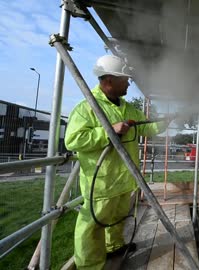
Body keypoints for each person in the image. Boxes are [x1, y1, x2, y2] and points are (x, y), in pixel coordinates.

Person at [65, 55, 166, 269]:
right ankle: (90, 266)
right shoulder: (87, 108)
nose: (129, 83)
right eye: (125, 79)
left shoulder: (128, 109)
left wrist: (168, 121)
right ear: (109, 80)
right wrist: (108, 132)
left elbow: (148, 128)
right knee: (91, 228)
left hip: (124, 179)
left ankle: (114, 246)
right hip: (101, 183)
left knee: (119, 218)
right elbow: (73, 140)